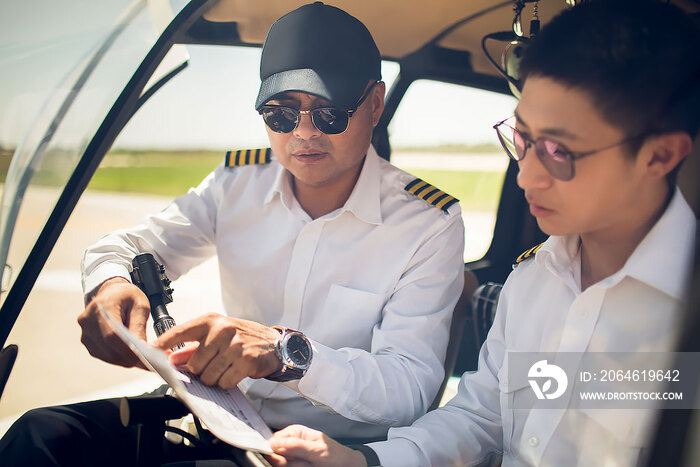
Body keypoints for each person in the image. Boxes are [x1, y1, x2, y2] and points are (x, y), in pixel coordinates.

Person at [0, 3, 465, 465]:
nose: (303, 132)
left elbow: (409, 389)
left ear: (376, 104)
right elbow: (127, 247)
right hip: (216, 418)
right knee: (41, 436)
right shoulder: (235, 183)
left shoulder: (427, 224)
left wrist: (285, 353)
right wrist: (110, 285)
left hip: (325, 451)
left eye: (328, 114)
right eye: (281, 114)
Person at [265, 1, 700, 465]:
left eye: (558, 150)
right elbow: (481, 418)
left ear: (659, 156)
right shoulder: (536, 280)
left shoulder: (683, 319)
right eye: (522, 139)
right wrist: (364, 462)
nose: (526, 177)